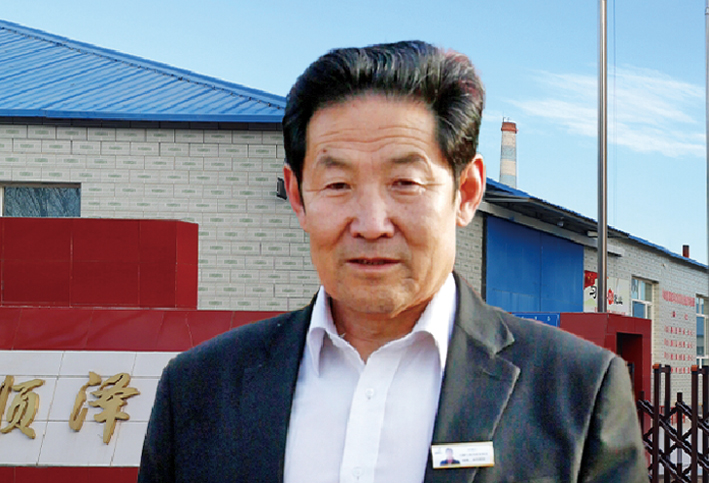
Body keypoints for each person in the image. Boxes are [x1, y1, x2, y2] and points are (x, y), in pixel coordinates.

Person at [138, 40, 648, 483]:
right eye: (338, 184)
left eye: (405, 182)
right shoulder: (199, 389)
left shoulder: (577, 389)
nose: (371, 223)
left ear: (466, 192)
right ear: (298, 196)